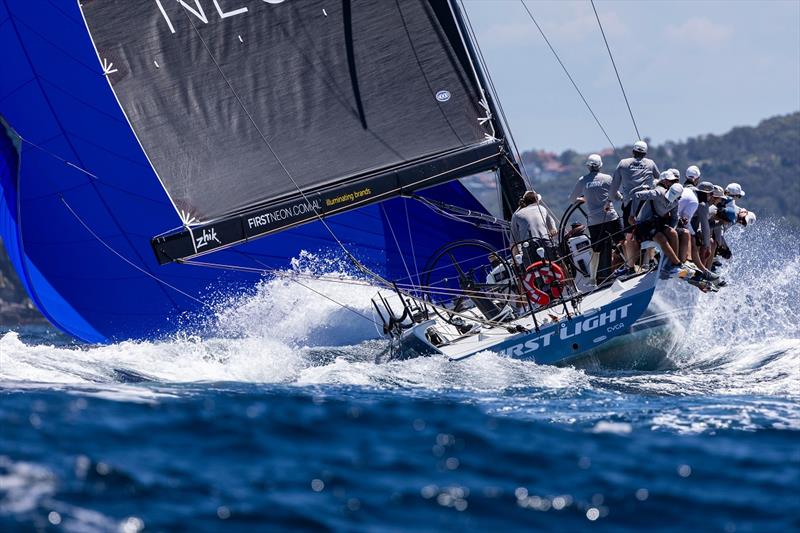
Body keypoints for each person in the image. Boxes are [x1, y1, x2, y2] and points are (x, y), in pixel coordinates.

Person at [569, 154, 624, 284]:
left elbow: (572, 199)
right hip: (610, 217)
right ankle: (631, 267)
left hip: (594, 222)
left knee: (595, 250)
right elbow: (617, 197)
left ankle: (593, 278)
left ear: (588, 166)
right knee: (622, 241)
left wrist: (583, 199)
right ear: (600, 166)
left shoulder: (582, 180)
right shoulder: (607, 178)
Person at [608, 140, 661, 274]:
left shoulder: (623, 163)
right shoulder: (650, 163)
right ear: (645, 153)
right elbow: (660, 180)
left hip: (630, 203)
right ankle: (650, 262)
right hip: (647, 203)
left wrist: (613, 200)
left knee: (629, 236)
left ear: (633, 151)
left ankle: (631, 268)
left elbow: (614, 186)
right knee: (649, 232)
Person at [625, 171, 685, 278]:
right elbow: (637, 195)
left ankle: (670, 265)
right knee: (661, 238)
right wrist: (632, 215)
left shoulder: (675, 202)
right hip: (644, 224)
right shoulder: (658, 193)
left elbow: (675, 218)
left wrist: (670, 228)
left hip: (658, 223)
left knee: (673, 233)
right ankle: (677, 264)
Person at [510, 190, 558, 266]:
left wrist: (516, 262)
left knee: (530, 270)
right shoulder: (541, 208)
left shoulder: (516, 215)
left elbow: (513, 243)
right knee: (558, 262)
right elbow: (553, 230)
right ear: (537, 200)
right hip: (546, 244)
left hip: (528, 250)